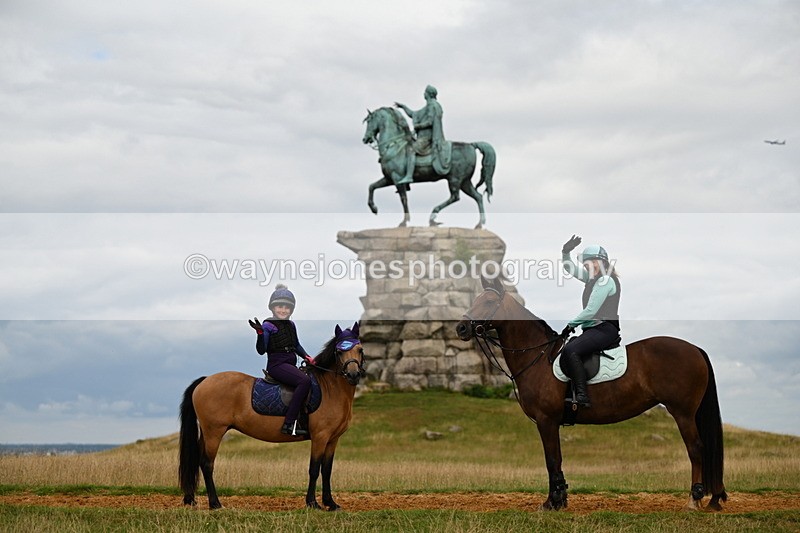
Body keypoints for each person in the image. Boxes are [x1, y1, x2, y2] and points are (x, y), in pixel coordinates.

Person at [559, 235, 621, 408]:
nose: (584, 266)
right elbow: (569, 268)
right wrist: (565, 252)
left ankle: (582, 396)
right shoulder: (592, 279)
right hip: (593, 330)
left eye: (586, 263)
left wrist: (571, 324)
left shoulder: (605, 280)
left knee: (571, 350)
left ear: (596, 262)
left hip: (604, 329)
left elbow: (591, 311)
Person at [248, 284, 315, 436]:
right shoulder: (268, 325)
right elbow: (261, 350)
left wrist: (307, 357)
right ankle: (289, 423)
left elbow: (296, 345)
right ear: (273, 308)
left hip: (290, 364)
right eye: (279, 307)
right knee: (304, 381)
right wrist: (259, 333)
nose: (283, 310)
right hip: (277, 365)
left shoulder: (291, 325)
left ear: (291, 309)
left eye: (286, 307)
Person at [394, 84, 452, 183]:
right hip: (423, 137)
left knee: (411, 149)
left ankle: (409, 176)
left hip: (427, 138)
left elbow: (430, 122)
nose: (423, 94)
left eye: (425, 92)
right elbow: (413, 114)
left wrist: (418, 126)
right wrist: (403, 107)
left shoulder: (432, 106)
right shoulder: (429, 106)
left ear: (428, 94)